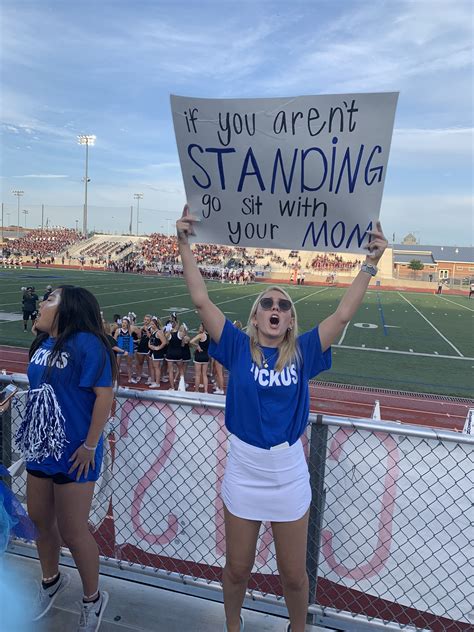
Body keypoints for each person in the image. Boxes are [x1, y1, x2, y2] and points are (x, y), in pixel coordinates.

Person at [176, 205, 387, 632]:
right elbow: (200, 298)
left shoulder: (305, 351)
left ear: (290, 319)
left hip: (288, 471)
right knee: (237, 568)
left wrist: (369, 263)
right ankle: (233, 626)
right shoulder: (236, 346)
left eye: (283, 304)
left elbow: (342, 315)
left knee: (293, 574)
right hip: (244, 468)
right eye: (267, 303)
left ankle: (298, 629)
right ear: (256, 316)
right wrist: (184, 243)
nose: (275, 307)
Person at [15, 285, 116, 631]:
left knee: (73, 530)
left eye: (50, 299)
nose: (42, 303)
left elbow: (104, 398)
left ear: (69, 308)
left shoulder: (88, 344)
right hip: (42, 446)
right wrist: (43, 327)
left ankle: (93, 598)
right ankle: (51, 580)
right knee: (40, 517)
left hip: (76, 451)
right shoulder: (42, 343)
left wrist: (89, 445)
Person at [114, 317, 136, 384]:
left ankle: (130, 378)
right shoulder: (118, 330)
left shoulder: (130, 330)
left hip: (128, 349)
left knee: (129, 364)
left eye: (125, 323)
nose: (123, 324)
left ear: (128, 324)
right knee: (117, 365)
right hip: (120, 349)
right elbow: (114, 339)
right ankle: (115, 379)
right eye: (123, 322)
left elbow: (137, 331)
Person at [190, 323, 211, 393]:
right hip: (206, 356)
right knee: (204, 374)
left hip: (199, 356)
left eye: (200, 326)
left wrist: (197, 346)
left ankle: (196, 391)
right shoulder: (208, 336)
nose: (199, 327)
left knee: (198, 375)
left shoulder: (201, 335)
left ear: (203, 328)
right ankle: (206, 391)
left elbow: (191, 341)